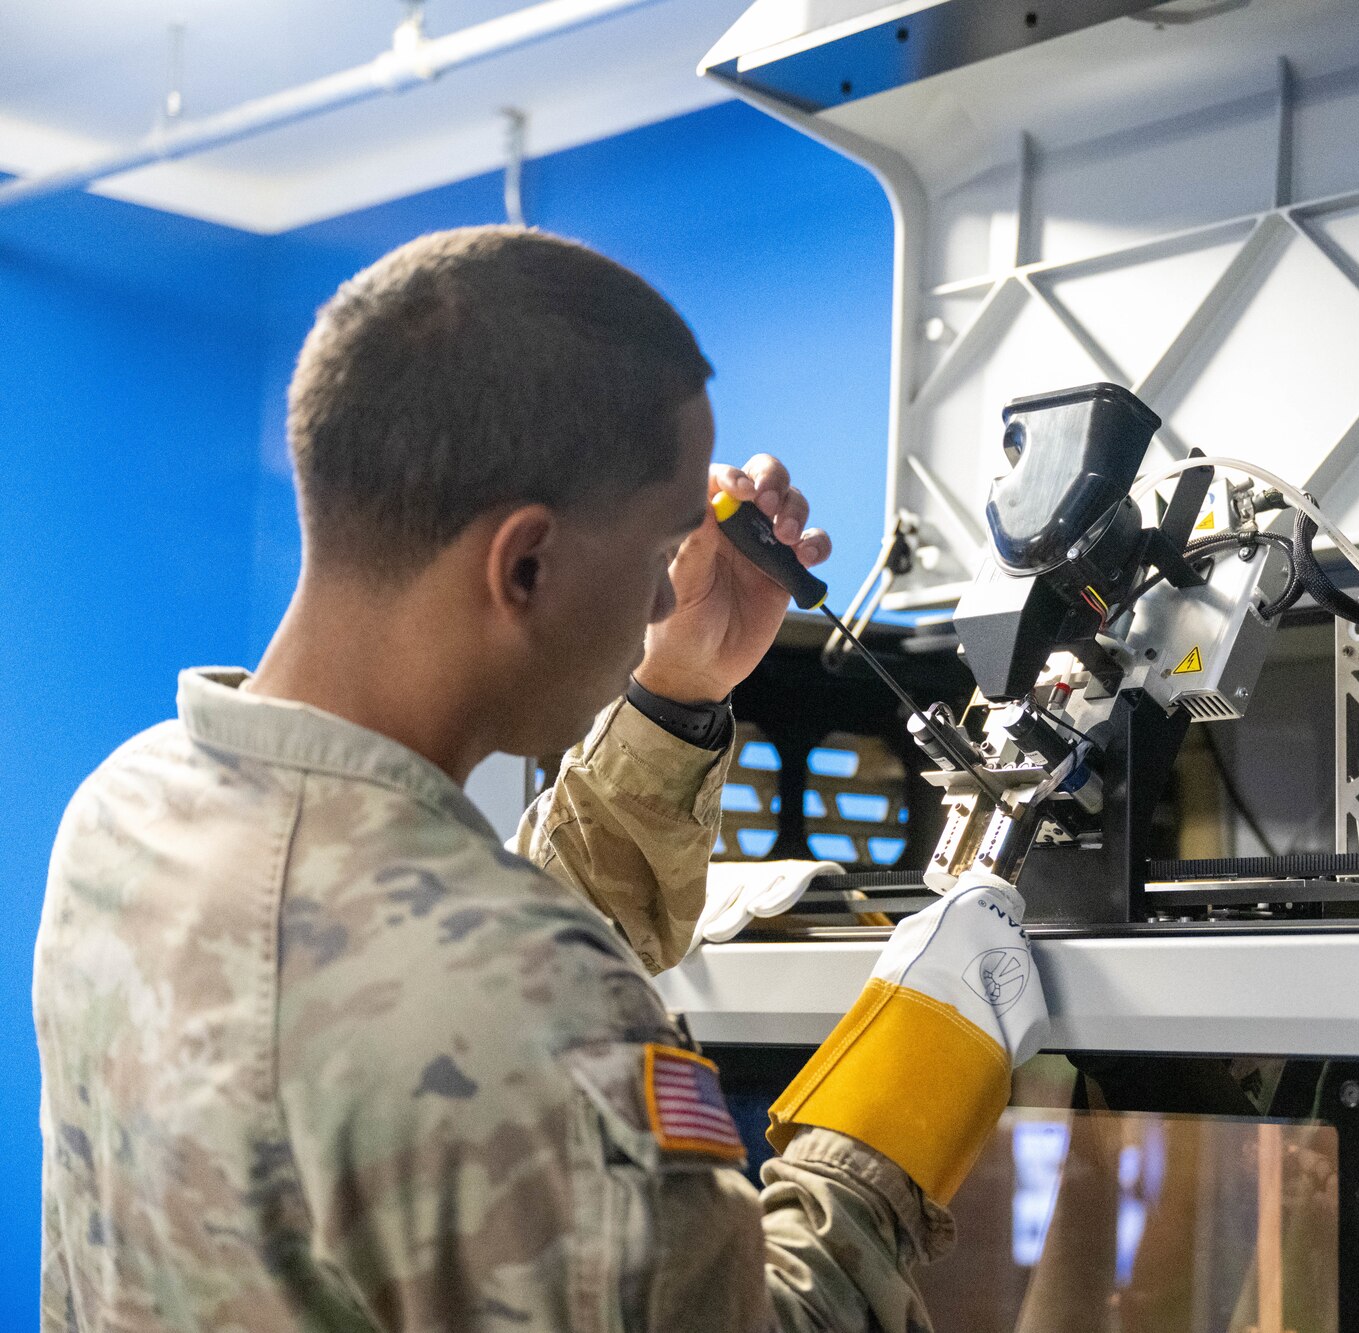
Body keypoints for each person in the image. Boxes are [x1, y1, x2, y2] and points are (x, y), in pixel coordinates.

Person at [35, 226, 1044, 1332]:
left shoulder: (126, 813)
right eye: (659, 553)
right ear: (523, 563)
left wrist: (672, 694)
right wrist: (900, 1100)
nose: (663, 600)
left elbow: (421, 952)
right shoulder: (541, 1010)